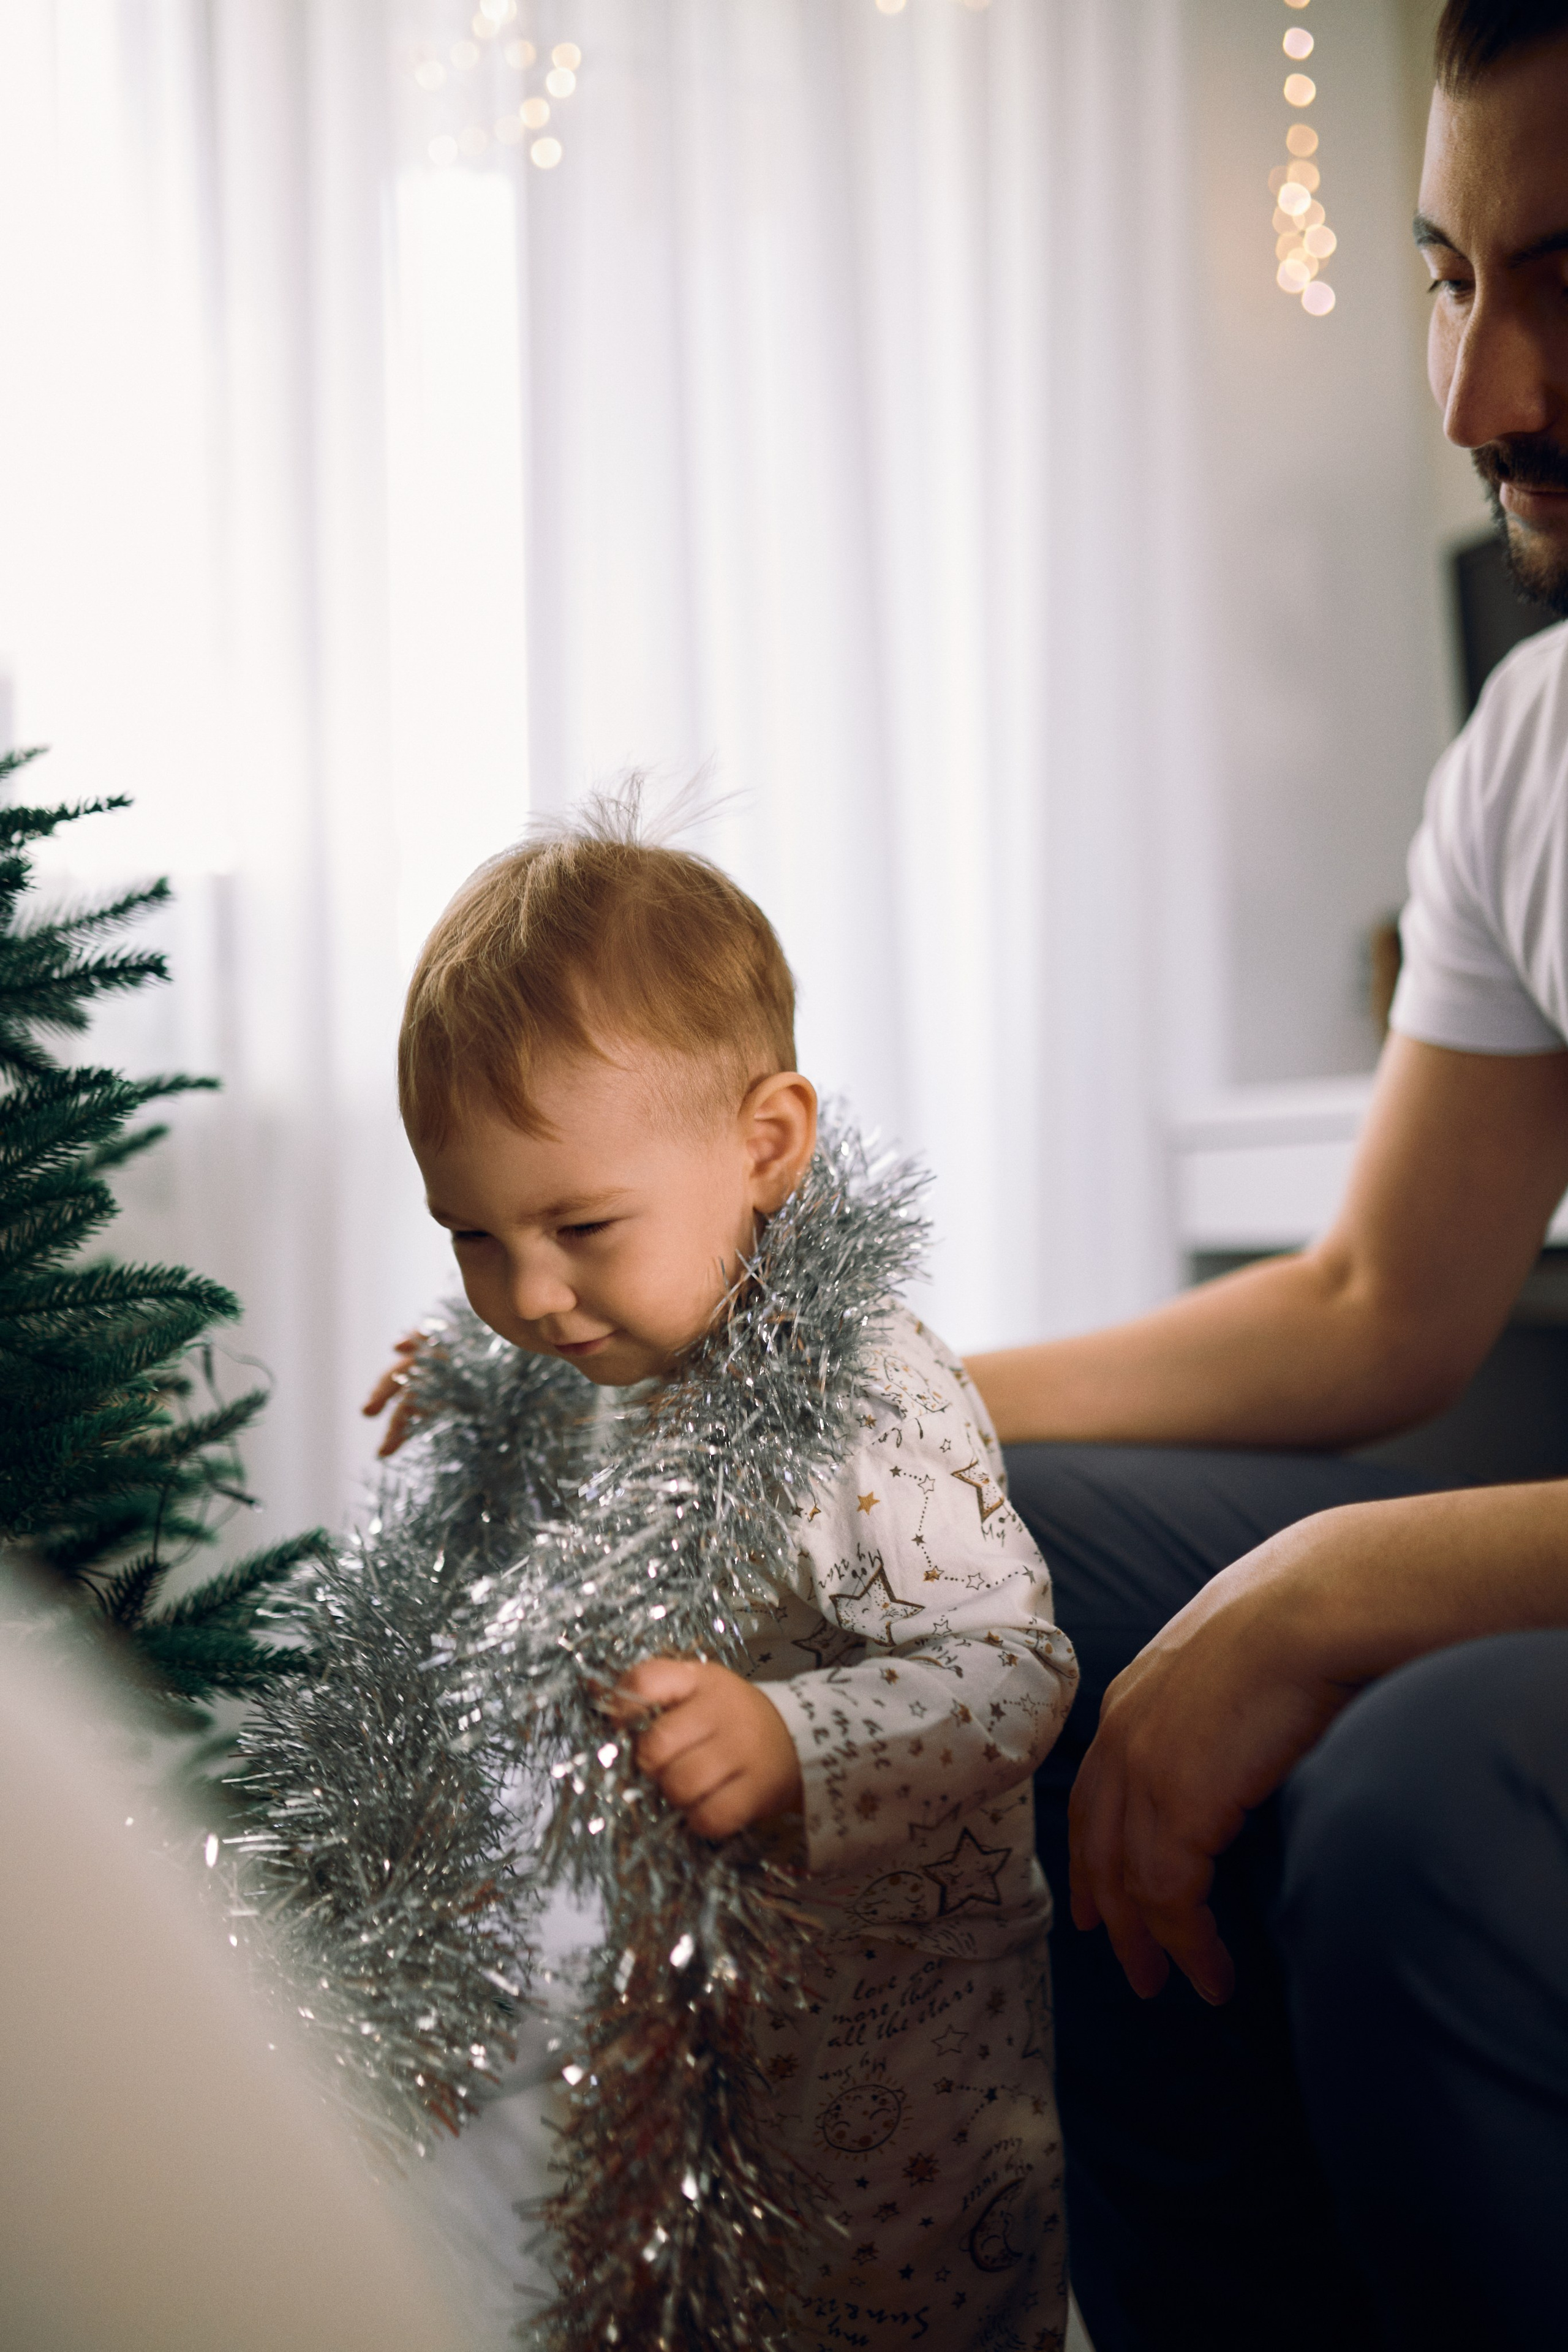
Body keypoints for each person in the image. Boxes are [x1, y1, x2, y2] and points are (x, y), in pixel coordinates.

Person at [963, 7, 1568, 2350]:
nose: (1478, 394)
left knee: (1425, 1784)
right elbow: (1368, 1307)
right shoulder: (1530, 742)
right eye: (1447, 274)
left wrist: (1329, 1594)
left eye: (1566, 276)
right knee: (982, 1546)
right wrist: (885, 1400)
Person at [371, 810, 1082, 2351]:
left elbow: (1013, 1671)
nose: (530, 1295)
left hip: (899, 2020)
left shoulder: (863, 1387)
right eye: (474, 1238)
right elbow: (575, 1486)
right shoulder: (618, 1351)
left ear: (764, 1147)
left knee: (898, 2303)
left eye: (577, 1228)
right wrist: (470, 1391)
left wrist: (791, 1738)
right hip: (694, 1984)